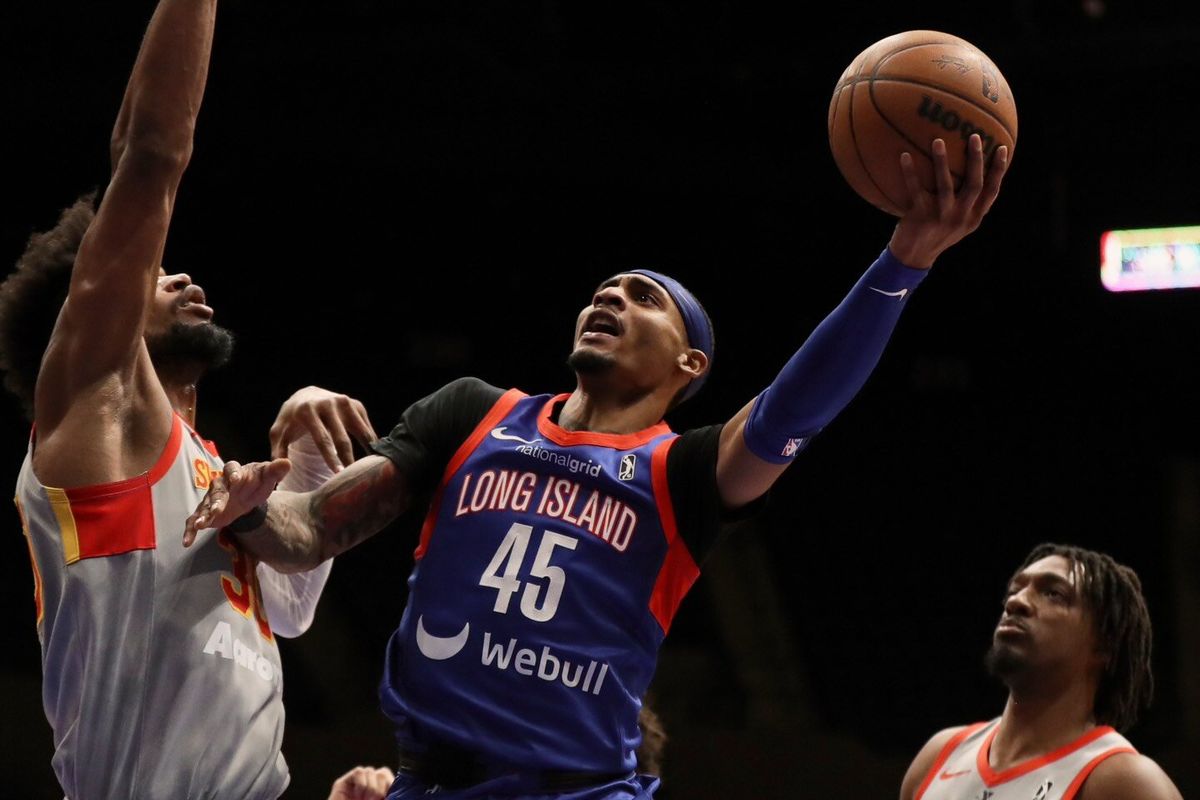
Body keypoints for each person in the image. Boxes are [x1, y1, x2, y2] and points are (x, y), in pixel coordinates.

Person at [185, 131, 1009, 799]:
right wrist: (244, 504)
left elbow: (797, 406)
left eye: (645, 297)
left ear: (690, 367)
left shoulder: (682, 474)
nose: (609, 297)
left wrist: (904, 262)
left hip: (574, 791)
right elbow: (308, 536)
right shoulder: (474, 412)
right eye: (605, 289)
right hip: (428, 783)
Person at [0, 0, 377, 797]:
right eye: (156, 273)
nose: (181, 275)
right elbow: (150, 154)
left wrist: (306, 454)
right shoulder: (94, 412)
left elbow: (291, 604)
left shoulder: (217, 472)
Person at [898, 542, 1183, 800]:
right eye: (1015, 590)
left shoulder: (1123, 782)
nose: (1016, 602)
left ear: (1105, 644)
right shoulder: (939, 756)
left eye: (1053, 594)